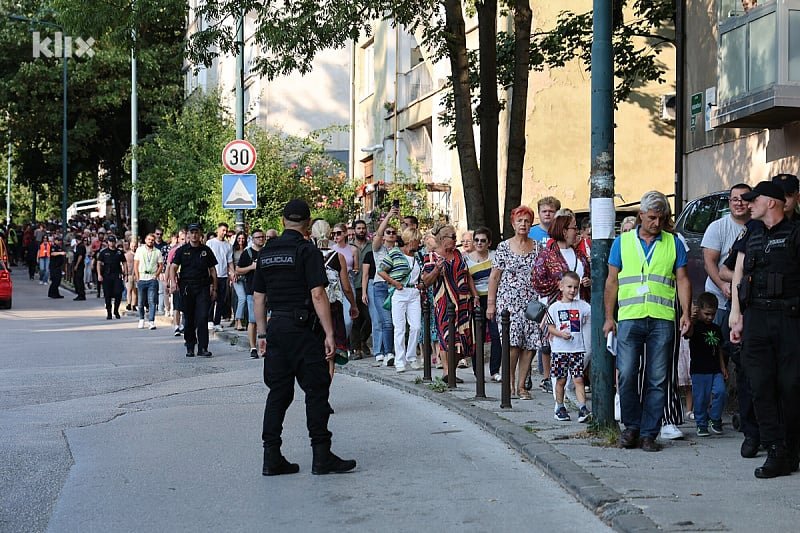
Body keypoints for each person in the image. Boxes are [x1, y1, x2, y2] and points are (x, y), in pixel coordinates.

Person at [253, 199, 356, 476]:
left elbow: (259, 297)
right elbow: (318, 293)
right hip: (304, 330)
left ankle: (271, 457)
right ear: (308, 224)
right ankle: (322, 456)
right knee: (317, 390)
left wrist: (262, 333)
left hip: (276, 328)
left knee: (278, 394)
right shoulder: (307, 251)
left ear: (283, 221)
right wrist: (330, 333)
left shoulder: (266, 253)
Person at [603, 191, 691, 452]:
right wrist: (609, 317)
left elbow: (683, 279)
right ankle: (631, 427)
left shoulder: (673, 243)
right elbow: (612, 281)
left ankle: (649, 434)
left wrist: (685, 313)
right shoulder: (622, 242)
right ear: (640, 215)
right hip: (630, 317)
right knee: (628, 374)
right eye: (652, 217)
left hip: (663, 318)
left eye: (661, 218)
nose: (656, 223)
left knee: (658, 378)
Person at [730, 181, 800, 478]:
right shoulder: (752, 234)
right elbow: (739, 274)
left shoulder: (796, 234)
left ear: (771, 202)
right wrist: (737, 314)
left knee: (791, 387)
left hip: (790, 319)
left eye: (753, 199)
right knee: (759, 386)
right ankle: (775, 450)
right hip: (756, 318)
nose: (748, 204)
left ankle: (791, 449)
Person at [701, 183, 756, 451]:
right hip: (721, 302)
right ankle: (712, 412)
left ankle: (741, 411)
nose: (739, 203)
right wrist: (725, 285)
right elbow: (711, 262)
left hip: (745, 301)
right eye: (734, 199)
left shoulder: (756, 226)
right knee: (718, 353)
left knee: (741, 357)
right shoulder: (718, 227)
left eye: (744, 199)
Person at [532, 213, 592, 395]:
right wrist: (562, 285)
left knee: (586, 349)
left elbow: (588, 275)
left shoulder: (580, 254)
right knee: (561, 352)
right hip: (559, 310)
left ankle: (570, 388)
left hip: (581, 307)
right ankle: (562, 393)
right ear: (564, 231)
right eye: (574, 228)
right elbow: (537, 281)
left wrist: (587, 282)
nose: (578, 232)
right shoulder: (547, 255)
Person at [487, 206, 543, 399]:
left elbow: (542, 274)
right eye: (520, 221)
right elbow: (494, 277)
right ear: (513, 223)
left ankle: (522, 386)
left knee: (529, 345)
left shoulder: (538, 247)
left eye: (527, 221)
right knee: (512, 344)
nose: (523, 224)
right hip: (509, 302)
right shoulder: (504, 246)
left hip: (531, 302)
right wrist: (491, 304)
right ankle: (509, 382)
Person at [421, 224, 479, 384]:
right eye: (452, 237)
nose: (455, 240)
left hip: (463, 301)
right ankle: (447, 371)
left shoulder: (458, 254)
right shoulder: (431, 257)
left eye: (455, 237)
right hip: (444, 302)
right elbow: (425, 281)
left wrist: (474, 295)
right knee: (447, 336)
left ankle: (451, 370)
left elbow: (468, 276)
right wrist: (436, 271)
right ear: (442, 239)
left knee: (464, 338)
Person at [547, 272, 592, 423]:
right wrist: (560, 334)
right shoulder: (554, 307)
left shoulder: (582, 305)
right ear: (561, 287)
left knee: (578, 379)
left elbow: (591, 314)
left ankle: (583, 407)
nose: (572, 290)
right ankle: (559, 406)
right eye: (569, 287)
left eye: (575, 287)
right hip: (560, 350)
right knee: (561, 379)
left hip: (577, 349)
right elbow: (550, 327)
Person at [169, 223, 217, 358]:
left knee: (202, 317)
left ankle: (203, 347)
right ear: (188, 235)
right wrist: (173, 283)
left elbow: (213, 270)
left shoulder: (206, 250)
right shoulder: (182, 250)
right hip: (187, 288)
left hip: (202, 287)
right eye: (192, 232)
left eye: (197, 232)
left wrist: (214, 288)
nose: (194, 235)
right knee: (189, 318)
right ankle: (190, 346)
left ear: (200, 234)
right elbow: (173, 267)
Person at [379, 227, 423, 372]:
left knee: (416, 326)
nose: (419, 243)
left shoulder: (418, 257)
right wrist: (394, 282)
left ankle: (411, 357)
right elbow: (381, 270)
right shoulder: (395, 253)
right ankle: (400, 360)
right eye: (417, 240)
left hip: (414, 292)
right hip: (400, 292)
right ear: (411, 241)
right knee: (400, 327)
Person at [686, 292, 728, 437]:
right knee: (701, 398)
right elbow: (688, 333)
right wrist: (691, 318)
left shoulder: (716, 328)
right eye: (706, 314)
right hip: (699, 370)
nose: (710, 317)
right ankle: (701, 423)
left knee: (721, 392)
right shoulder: (695, 326)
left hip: (715, 369)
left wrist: (723, 367)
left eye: (713, 314)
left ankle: (715, 418)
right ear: (699, 311)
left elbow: (719, 348)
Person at [466, 226, 501, 381]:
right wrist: (474, 296)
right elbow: (468, 280)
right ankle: (478, 370)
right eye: (477, 240)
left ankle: (494, 370)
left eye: (483, 241)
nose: (479, 243)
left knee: (496, 335)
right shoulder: (466, 258)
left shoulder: (495, 256)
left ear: (489, 243)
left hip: (494, 298)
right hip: (476, 300)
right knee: (477, 336)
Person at [371, 207, 400, 364]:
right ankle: (387, 353)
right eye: (388, 232)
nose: (390, 234)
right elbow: (378, 234)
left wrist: (400, 216)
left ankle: (388, 351)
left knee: (394, 321)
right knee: (385, 321)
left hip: (395, 287)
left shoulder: (399, 250)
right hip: (381, 286)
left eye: (393, 233)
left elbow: (410, 234)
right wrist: (389, 215)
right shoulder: (378, 249)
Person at [236, 228, 266, 358]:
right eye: (258, 237)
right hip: (251, 290)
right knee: (253, 320)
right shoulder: (247, 253)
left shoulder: (267, 252)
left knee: (266, 319)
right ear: (253, 239)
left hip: (267, 290)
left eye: (262, 237)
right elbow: (238, 270)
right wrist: (251, 267)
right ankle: (253, 347)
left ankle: (264, 346)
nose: (261, 239)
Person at [349, 220, 372, 360]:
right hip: (353, 286)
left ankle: (363, 339)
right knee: (355, 319)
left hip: (369, 286)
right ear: (354, 230)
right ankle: (356, 349)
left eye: (363, 228)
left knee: (369, 318)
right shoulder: (349, 247)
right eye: (359, 228)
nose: (361, 230)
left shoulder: (371, 246)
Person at [206, 222, 234, 332]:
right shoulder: (210, 243)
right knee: (211, 298)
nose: (224, 233)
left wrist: (232, 273)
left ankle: (217, 322)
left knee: (221, 300)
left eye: (226, 231)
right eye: (223, 230)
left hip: (223, 275)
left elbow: (229, 261)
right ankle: (209, 320)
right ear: (218, 230)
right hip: (212, 274)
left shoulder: (228, 245)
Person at [134, 233, 164, 330]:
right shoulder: (140, 250)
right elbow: (136, 264)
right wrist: (138, 277)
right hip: (142, 277)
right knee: (141, 301)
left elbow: (161, 265)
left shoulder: (157, 252)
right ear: (145, 240)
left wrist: (156, 275)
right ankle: (141, 319)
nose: (150, 241)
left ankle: (151, 321)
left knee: (152, 301)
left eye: (152, 240)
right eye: (148, 239)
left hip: (152, 278)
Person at [96, 235, 127, 319]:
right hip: (107, 275)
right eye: (110, 241)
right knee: (107, 295)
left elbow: (124, 262)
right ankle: (109, 312)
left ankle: (116, 310)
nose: (112, 243)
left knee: (118, 293)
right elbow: (98, 263)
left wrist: (125, 272)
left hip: (117, 275)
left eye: (113, 241)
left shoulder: (119, 252)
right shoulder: (103, 252)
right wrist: (99, 274)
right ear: (108, 242)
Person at [231, 231, 249, 331]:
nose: (241, 240)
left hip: (246, 277)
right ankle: (238, 321)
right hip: (236, 277)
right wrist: (232, 274)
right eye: (239, 238)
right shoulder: (233, 250)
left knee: (247, 299)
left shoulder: (248, 250)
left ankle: (244, 321)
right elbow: (229, 263)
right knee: (242, 298)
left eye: (243, 238)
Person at [125, 237, 139, 312]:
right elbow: (124, 265)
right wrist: (126, 274)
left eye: (135, 246)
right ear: (130, 246)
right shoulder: (127, 255)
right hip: (129, 274)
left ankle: (134, 305)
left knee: (135, 291)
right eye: (132, 246)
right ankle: (129, 304)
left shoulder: (139, 254)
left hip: (136, 275)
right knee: (129, 290)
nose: (133, 247)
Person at [73, 235, 87, 300]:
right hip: (79, 265)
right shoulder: (79, 246)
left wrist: (76, 265)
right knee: (77, 280)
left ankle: (81, 295)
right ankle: (80, 294)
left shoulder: (81, 246)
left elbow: (80, 256)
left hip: (79, 266)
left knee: (79, 280)